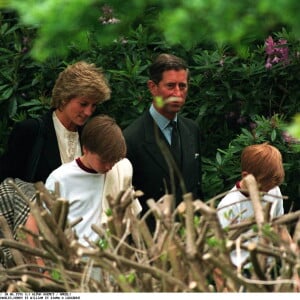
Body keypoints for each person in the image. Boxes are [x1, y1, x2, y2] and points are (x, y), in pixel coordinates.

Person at [123, 53, 202, 230]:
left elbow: (196, 189)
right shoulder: (131, 139)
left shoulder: (192, 130)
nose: (177, 93)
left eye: (182, 86)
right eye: (170, 86)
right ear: (153, 87)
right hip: (153, 243)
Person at [0, 61, 111, 183]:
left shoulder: (90, 136)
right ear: (64, 98)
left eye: (93, 105)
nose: (88, 112)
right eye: (83, 104)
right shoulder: (30, 131)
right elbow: (7, 183)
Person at [45, 114, 141, 247]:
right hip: (76, 256)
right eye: (104, 160)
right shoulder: (61, 178)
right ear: (86, 149)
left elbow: (132, 215)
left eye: (113, 160)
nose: (109, 166)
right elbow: (41, 224)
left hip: (112, 255)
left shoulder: (121, 168)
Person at [217, 143, 285, 269]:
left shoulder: (273, 189)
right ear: (246, 176)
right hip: (242, 271)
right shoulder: (228, 206)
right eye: (263, 188)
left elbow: (280, 228)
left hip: (269, 268)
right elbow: (219, 255)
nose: (267, 192)